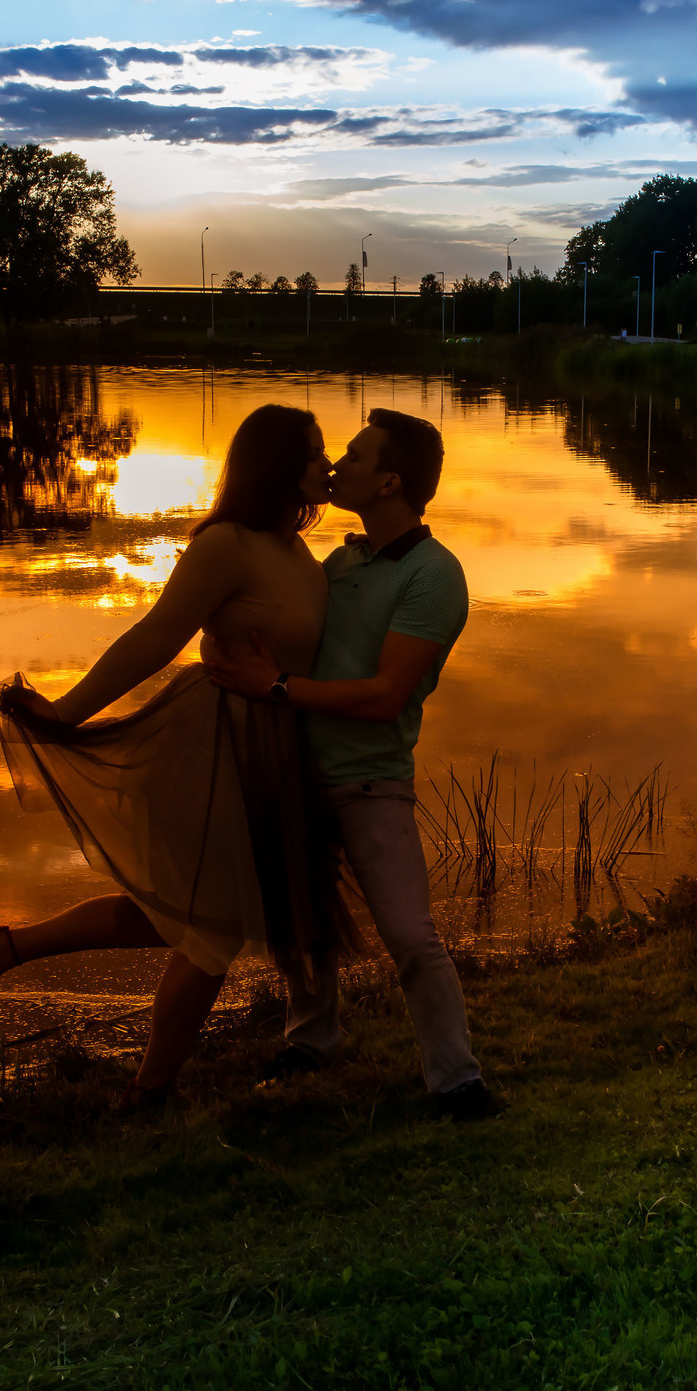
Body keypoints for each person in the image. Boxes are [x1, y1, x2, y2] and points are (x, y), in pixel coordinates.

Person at [0, 404, 349, 1113]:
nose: (329, 464)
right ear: (280, 466)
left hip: (274, 756)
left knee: (177, 916)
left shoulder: (299, 555)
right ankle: (149, 1091)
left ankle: (7, 947)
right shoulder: (226, 544)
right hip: (212, 750)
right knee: (214, 930)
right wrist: (68, 712)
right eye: (316, 453)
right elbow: (156, 635)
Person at [205, 408, 499, 1122]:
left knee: (407, 932)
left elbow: (384, 694)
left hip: (370, 779)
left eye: (355, 456)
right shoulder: (341, 562)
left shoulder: (434, 575)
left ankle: (456, 1078)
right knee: (302, 920)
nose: (337, 465)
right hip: (295, 769)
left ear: (391, 480)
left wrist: (275, 687)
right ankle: (312, 1038)